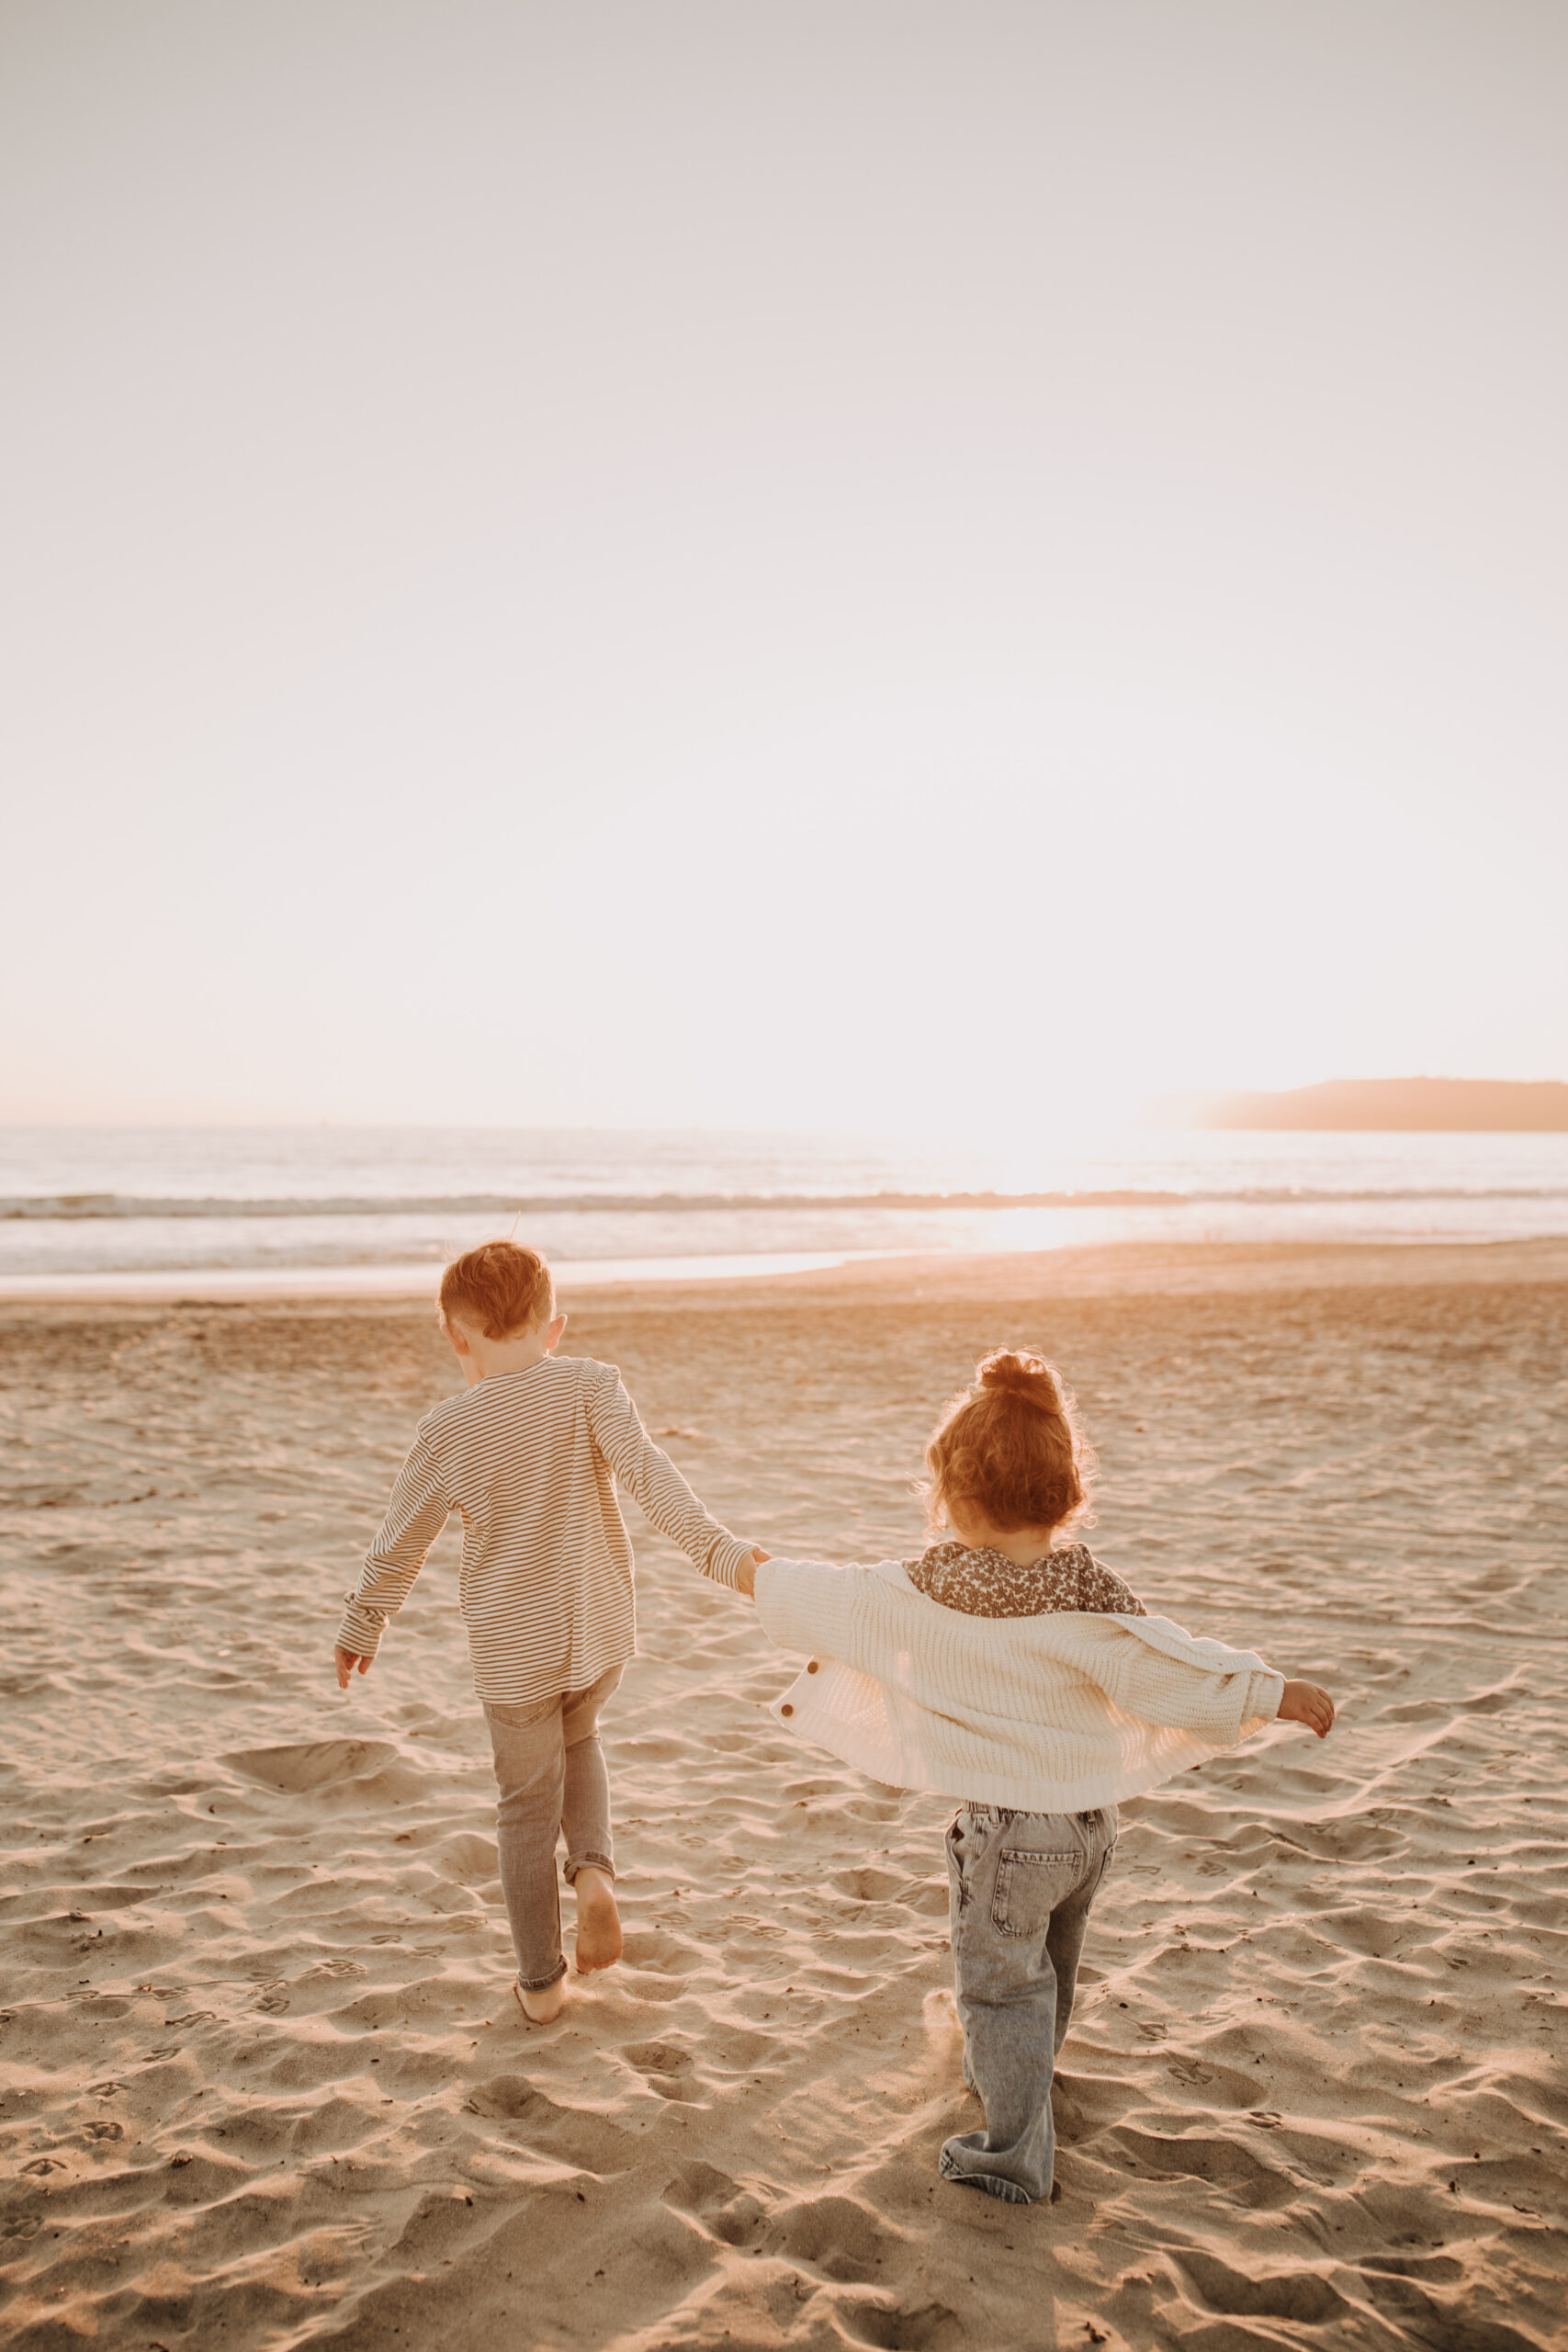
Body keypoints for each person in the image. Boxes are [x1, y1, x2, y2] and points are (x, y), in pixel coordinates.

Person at [739, 1350, 1334, 2206]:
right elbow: (1166, 1664)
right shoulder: (1087, 1583)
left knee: (998, 1988)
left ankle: (1012, 2152)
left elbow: (840, 1599)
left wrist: (755, 1573)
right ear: (1061, 1491)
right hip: (1088, 1827)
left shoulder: (940, 1579)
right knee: (1049, 1970)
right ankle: (1025, 2086)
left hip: (1010, 1834)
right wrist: (1268, 1691)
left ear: (958, 1499)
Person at [333, 1241, 761, 2022]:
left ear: (456, 1338)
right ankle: (593, 1874)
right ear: (553, 1325)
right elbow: (650, 1475)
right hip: (597, 1628)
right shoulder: (591, 1387)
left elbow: (402, 1539)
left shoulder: (446, 1430)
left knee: (524, 1811)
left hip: (513, 1648)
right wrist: (721, 1554)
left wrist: (366, 1620)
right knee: (581, 1736)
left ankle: (539, 1983)